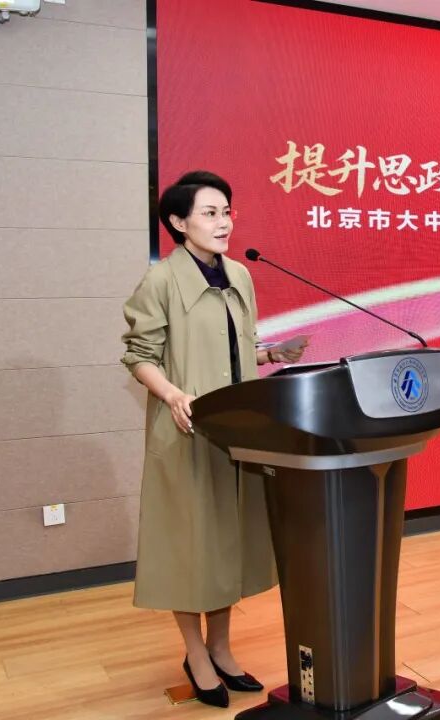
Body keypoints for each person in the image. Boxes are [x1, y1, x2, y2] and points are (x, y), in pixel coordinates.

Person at [121, 171, 306, 708]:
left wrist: (268, 354)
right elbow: (139, 356)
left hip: (235, 431)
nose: (223, 222)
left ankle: (222, 648)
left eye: (227, 211)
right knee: (190, 547)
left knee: (226, 543)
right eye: (209, 213)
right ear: (179, 223)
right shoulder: (160, 282)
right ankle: (195, 654)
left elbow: (234, 346)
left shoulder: (240, 275)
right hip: (186, 432)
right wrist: (172, 394)